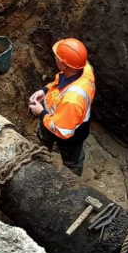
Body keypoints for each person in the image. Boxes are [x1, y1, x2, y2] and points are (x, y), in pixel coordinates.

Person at [28, 38, 96, 176]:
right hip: (53, 117)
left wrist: (40, 113)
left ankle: (72, 182)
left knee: (72, 162)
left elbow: (62, 131)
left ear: (64, 65)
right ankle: (41, 160)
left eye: (57, 57)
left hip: (70, 132)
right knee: (43, 141)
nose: (55, 58)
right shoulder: (83, 68)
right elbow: (60, 82)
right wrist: (44, 90)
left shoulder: (72, 99)